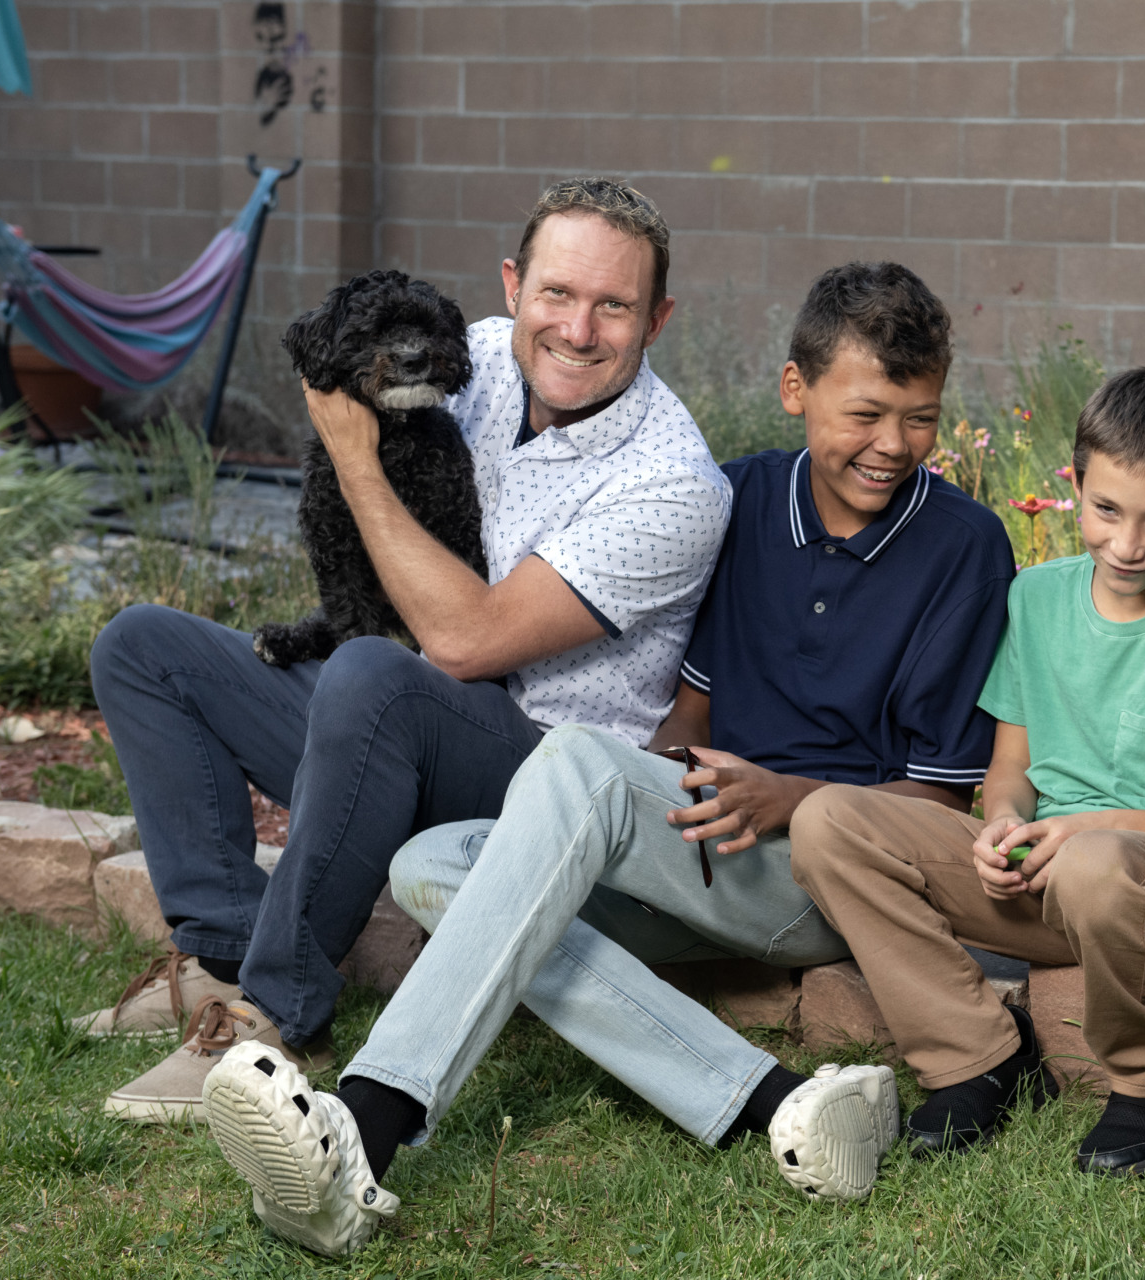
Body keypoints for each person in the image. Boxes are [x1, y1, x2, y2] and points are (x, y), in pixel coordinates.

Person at [196, 261, 1017, 1256]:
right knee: (434, 864)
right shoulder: (748, 495)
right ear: (795, 390)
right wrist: (647, 789)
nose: (893, 444)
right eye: (866, 413)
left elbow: (936, 796)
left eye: (921, 418)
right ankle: (778, 1100)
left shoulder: (967, 544)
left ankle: (366, 1121)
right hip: (698, 836)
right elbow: (695, 700)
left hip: (824, 865)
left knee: (578, 762)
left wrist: (784, 792)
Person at [82, 178, 730, 1122]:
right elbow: (330, 358)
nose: (578, 330)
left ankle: (275, 1011)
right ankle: (219, 956)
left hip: (539, 780)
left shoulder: (672, 484)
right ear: (512, 285)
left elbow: (466, 643)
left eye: (614, 305)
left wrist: (353, 456)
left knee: (375, 671)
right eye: (557, 293)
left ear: (657, 318)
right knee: (145, 647)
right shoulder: (470, 358)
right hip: (390, 723)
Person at [791, 365, 1145, 1177]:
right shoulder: (1035, 599)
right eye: (1105, 510)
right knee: (829, 820)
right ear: (1075, 484)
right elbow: (1011, 770)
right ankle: (977, 1058)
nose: (1126, 544)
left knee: (1099, 866)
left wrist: (1086, 832)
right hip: (1040, 878)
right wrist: (1001, 824)